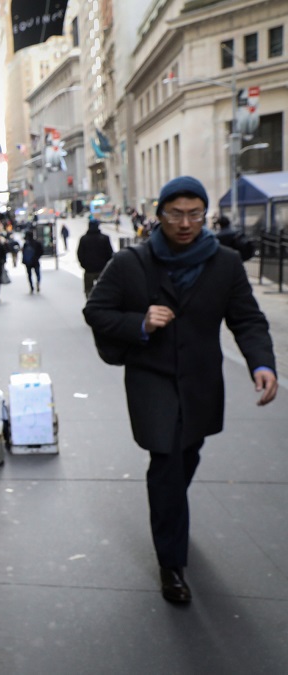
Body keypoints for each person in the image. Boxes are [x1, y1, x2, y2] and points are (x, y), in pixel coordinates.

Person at [83, 175, 278, 605]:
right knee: (167, 461)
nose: (186, 223)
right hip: (151, 380)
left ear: (205, 215)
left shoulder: (225, 263)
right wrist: (139, 322)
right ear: (159, 216)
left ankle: (170, 507)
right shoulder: (131, 263)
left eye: (195, 214)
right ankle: (171, 564)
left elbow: (247, 319)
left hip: (200, 382)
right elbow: (96, 311)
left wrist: (262, 363)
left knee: (186, 455)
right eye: (176, 214)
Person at [76, 217, 114, 297]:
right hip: (102, 270)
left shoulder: (83, 239)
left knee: (88, 290)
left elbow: (80, 254)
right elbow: (110, 254)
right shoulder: (105, 238)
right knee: (104, 290)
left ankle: (91, 303)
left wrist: (84, 265)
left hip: (89, 270)